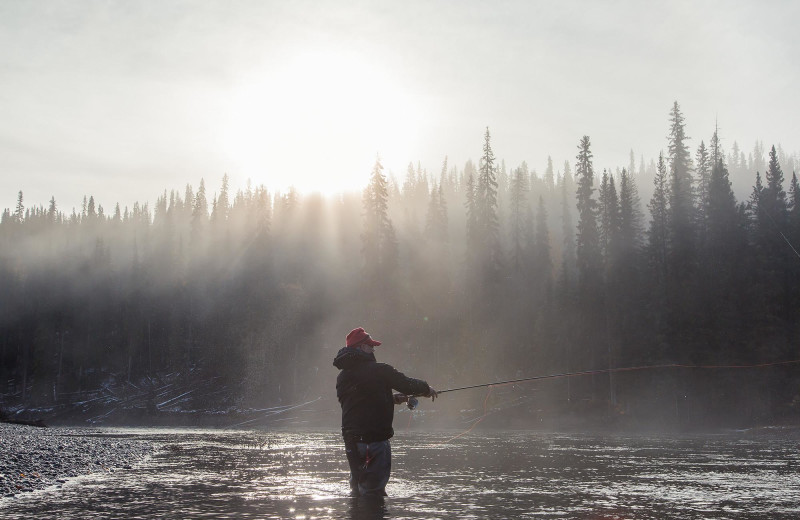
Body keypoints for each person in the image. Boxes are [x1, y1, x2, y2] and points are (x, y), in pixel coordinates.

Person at [333, 327, 438, 497]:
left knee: (357, 488)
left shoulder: (343, 376)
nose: (373, 349)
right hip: (373, 441)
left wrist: (393, 398)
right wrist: (426, 389)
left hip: (351, 442)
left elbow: (360, 401)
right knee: (374, 493)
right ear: (361, 348)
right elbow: (405, 383)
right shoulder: (380, 370)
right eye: (370, 345)